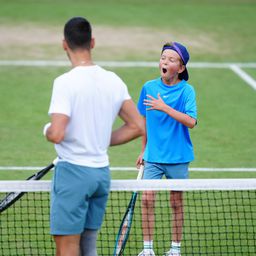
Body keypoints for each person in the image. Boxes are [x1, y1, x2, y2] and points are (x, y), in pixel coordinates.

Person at [43, 17, 145, 256]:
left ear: (64, 44)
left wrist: (46, 130)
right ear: (93, 42)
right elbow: (138, 125)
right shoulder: (113, 80)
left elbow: (56, 133)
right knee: (88, 247)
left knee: (67, 248)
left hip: (73, 175)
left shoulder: (64, 83)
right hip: (101, 176)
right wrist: (97, 138)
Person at [136, 42, 197, 256]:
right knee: (147, 199)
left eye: (171, 60)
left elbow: (191, 121)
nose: (165, 61)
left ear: (180, 68)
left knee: (176, 202)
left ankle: (175, 249)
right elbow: (143, 121)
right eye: (163, 57)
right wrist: (144, 149)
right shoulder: (149, 87)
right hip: (153, 155)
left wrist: (165, 107)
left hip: (178, 157)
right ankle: (147, 249)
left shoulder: (187, 91)